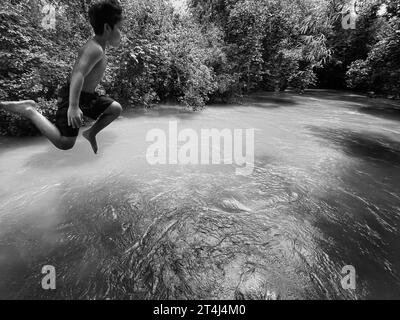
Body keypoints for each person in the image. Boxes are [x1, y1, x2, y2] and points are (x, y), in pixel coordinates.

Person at [0, 0, 124, 154]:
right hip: (72, 96)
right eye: (119, 28)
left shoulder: (100, 48)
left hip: (87, 97)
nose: (121, 33)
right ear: (107, 27)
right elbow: (78, 74)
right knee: (65, 143)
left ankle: (90, 133)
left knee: (115, 109)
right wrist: (73, 106)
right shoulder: (94, 49)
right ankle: (29, 110)